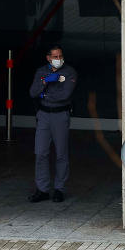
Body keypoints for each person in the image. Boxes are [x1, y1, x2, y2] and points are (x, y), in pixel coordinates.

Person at [28, 44, 77, 203]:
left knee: (61, 153)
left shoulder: (69, 72)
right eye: (55, 57)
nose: (58, 59)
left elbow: (65, 94)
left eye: (60, 56)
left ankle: (59, 189)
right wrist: (44, 82)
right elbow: (33, 92)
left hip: (60, 115)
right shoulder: (41, 72)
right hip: (43, 115)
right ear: (48, 58)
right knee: (41, 152)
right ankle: (42, 189)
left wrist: (45, 94)